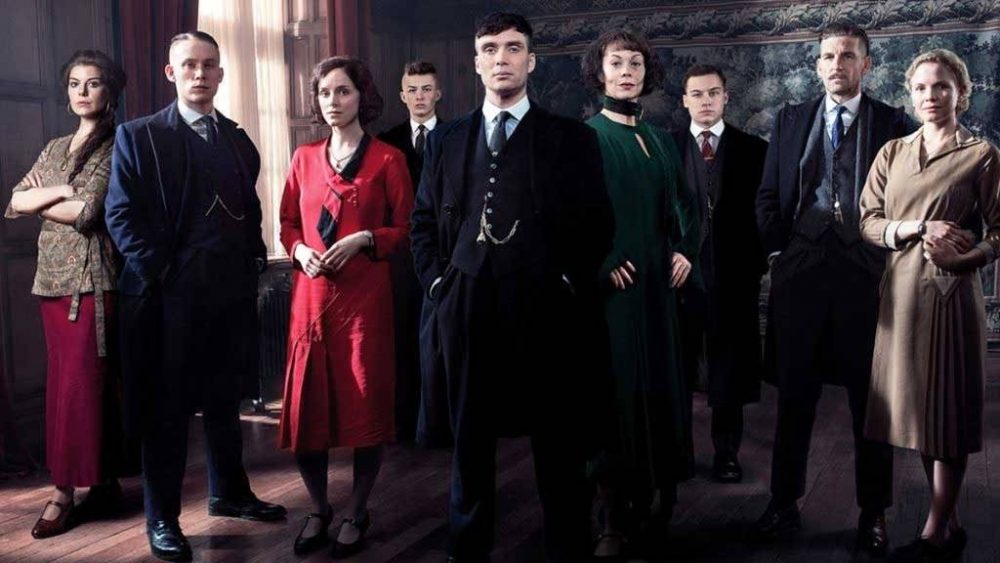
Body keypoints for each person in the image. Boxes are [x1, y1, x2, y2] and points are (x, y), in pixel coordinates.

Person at [410, 12, 614, 562]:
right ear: (476, 62)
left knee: (557, 439)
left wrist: (567, 280)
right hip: (467, 304)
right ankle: (468, 550)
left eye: (513, 47)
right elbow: (422, 222)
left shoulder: (571, 137)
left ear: (531, 60)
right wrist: (438, 286)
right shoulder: (448, 139)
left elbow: (598, 222)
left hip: (545, 309)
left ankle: (567, 549)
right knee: (470, 440)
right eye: (490, 49)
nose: (501, 58)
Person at [105, 31, 286, 562]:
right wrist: (165, 275)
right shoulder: (138, 136)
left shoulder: (236, 139)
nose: (199, 74)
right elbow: (120, 215)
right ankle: (162, 519)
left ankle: (228, 492)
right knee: (166, 412)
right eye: (189, 65)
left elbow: (249, 211)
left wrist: (253, 265)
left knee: (225, 401)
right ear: (171, 73)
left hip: (227, 297)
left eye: (209, 65)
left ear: (220, 74)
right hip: (164, 301)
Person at [753, 23, 913, 556]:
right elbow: (768, 195)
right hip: (800, 273)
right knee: (794, 397)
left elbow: (908, 199)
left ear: (866, 64)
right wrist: (778, 254)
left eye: (847, 56)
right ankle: (783, 503)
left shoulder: (893, 122)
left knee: (871, 402)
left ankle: (873, 513)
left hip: (865, 276)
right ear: (817, 64)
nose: (836, 64)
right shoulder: (790, 119)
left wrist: (884, 257)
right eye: (827, 56)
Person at [858, 48, 999, 562]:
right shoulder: (892, 152)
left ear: (961, 92)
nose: (930, 96)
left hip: (949, 295)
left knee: (947, 414)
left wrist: (968, 258)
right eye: (920, 87)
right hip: (898, 297)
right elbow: (868, 221)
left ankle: (935, 533)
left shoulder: (981, 154)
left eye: (941, 86)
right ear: (910, 94)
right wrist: (918, 227)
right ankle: (950, 522)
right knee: (920, 414)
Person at [278, 56, 413, 558]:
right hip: (311, 300)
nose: (333, 101)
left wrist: (364, 239)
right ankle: (318, 508)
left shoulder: (388, 160)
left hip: (364, 300)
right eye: (324, 93)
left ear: (362, 97)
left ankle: (357, 509)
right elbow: (288, 223)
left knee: (365, 406)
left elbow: (407, 229)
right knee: (306, 411)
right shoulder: (303, 157)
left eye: (343, 91)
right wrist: (298, 251)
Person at [580, 30, 699, 558]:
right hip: (617, 289)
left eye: (635, 63)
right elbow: (572, 214)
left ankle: (656, 499)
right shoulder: (589, 137)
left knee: (660, 387)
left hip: (658, 285)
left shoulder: (662, 139)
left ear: (647, 74)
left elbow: (687, 207)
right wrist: (602, 262)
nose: (627, 71)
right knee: (618, 395)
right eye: (616, 63)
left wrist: (685, 250)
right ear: (599, 72)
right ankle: (611, 516)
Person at [5, 49, 127, 540]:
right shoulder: (55, 146)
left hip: (94, 279)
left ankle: (64, 491)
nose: (82, 92)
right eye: (75, 83)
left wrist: (46, 196)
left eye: (92, 83)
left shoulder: (118, 144)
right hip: (51, 282)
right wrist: (59, 193)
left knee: (86, 387)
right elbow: (15, 200)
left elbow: (88, 212)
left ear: (110, 90)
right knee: (66, 386)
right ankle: (100, 482)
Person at [673, 64, 768, 484]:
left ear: (726, 97)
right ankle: (679, 453)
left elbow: (766, 212)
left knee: (729, 371)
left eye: (713, 93)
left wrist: (755, 265)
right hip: (680, 279)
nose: (706, 101)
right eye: (697, 94)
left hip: (734, 279)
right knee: (678, 368)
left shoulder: (754, 150)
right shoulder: (667, 147)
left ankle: (727, 454)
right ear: (685, 100)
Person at [377, 60, 443, 443]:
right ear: (402, 96)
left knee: (440, 343)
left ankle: (438, 425)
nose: (419, 97)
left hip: (441, 258)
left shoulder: (454, 137)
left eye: (426, 89)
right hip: (400, 261)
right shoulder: (386, 143)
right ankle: (404, 425)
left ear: (438, 93)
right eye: (412, 90)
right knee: (402, 340)